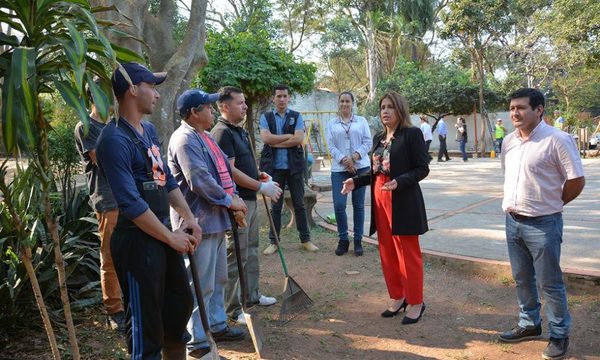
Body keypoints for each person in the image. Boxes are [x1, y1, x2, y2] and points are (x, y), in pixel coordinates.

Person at [96, 62, 202, 359]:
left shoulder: (149, 131)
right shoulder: (113, 140)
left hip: (162, 237)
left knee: (177, 312)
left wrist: (189, 219)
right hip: (136, 245)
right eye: (151, 87)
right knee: (147, 329)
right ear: (132, 89)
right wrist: (170, 238)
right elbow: (130, 203)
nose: (156, 94)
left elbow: (165, 179)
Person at [498, 88, 585, 360]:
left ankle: (559, 334)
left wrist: (552, 203)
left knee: (550, 283)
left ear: (539, 110)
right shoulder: (509, 141)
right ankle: (529, 324)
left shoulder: (557, 140)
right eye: (512, 108)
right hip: (513, 221)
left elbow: (576, 180)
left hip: (544, 224)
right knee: (522, 278)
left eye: (521, 108)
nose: (515, 113)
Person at [168, 89, 249, 358]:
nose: (213, 111)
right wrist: (230, 199)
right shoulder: (184, 140)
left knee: (218, 278)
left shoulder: (202, 137)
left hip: (214, 220)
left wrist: (233, 196)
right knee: (199, 282)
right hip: (197, 222)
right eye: (208, 107)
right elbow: (199, 180)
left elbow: (224, 168)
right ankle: (197, 340)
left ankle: (216, 324)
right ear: (194, 112)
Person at [341, 91, 429, 325]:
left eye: (390, 107)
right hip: (381, 197)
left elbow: (422, 168)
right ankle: (398, 296)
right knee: (387, 251)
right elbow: (374, 172)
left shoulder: (412, 134)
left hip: (403, 198)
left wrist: (400, 181)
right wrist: (355, 181)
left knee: (407, 252)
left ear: (400, 109)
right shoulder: (380, 137)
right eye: (382, 107)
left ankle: (416, 301)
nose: (385, 111)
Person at [210, 86, 280, 325]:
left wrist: (260, 176)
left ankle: (252, 294)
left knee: (251, 249)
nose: (245, 107)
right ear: (224, 106)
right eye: (240, 103)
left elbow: (245, 164)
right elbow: (229, 172)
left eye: (244, 102)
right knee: (236, 254)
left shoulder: (239, 131)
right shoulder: (221, 133)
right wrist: (260, 187)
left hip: (250, 199)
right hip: (237, 203)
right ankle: (234, 306)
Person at [74, 83, 124, 331]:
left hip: (127, 199)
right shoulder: (86, 126)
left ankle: (129, 302)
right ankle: (114, 310)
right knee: (110, 257)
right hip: (107, 200)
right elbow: (102, 159)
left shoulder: (115, 125)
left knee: (130, 252)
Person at [259, 84, 318, 254]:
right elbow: (266, 138)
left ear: (289, 97)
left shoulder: (296, 116)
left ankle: (305, 240)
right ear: (273, 98)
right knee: (275, 207)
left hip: (294, 167)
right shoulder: (266, 117)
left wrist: (275, 141)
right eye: (279, 96)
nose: (282, 99)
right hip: (275, 169)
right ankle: (274, 242)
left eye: (285, 96)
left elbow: (298, 138)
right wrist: (287, 137)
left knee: (299, 204)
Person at [325, 91, 372, 256]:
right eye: (342, 101)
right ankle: (343, 239)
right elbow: (330, 145)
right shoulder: (331, 123)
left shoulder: (362, 121)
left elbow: (368, 142)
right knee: (339, 205)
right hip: (339, 170)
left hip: (361, 168)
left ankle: (358, 240)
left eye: (348, 101)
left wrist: (353, 157)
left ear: (353, 103)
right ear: (339, 103)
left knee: (358, 205)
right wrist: (344, 160)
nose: (345, 104)